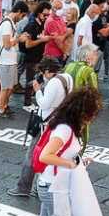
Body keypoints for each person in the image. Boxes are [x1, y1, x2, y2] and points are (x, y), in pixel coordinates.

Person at [27, 87, 101, 216]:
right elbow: (46, 156)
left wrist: (77, 161)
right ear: (82, 112)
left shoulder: (63, 124)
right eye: (91, 113)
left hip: (49, 183)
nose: (92, 118)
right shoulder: (65, 129)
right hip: (55, 188)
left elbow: (61, 154)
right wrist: (70, 164)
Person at [10, 58, 72, 199]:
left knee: (32, 154)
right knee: (50, 154)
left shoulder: (53, 83)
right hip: (59, 121)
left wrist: (38, 91)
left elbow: (44, 104)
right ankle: (41, 186)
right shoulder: (67, 77)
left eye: (44, 73)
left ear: (48, 71)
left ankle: (23, 188)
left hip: (45, 123)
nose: (43, 76)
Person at [0, 2, 26, 117]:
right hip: (5, 61)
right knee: (5, 88)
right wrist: (19, 39)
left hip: (10, 60)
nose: (22, 18)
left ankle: (5, 106)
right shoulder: (7, 24)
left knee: (10, 87)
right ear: (18, 11)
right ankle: (2, 110)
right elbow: (7, 44)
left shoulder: (10, 23)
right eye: (22, 15)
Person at [20, 3, 52, 108]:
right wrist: (42, 40)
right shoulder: (31, 25)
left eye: (48, 15)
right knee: (30, 81)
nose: (46, 17)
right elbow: (28, 44)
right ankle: (27, 103)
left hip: (39, 57)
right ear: (38, 13)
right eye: (45, 15)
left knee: (38, 79)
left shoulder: (41, 24)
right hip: (31, 58)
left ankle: (31, 99)